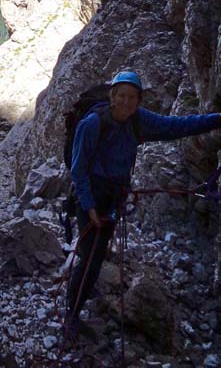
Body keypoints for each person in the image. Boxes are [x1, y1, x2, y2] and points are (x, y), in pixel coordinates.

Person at [65, 69, 221, 336]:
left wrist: (216, 120)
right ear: (112, 97)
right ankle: (71, 316)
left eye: (132, 97)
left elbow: (176, 126)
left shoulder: (138, 121)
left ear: (138, 100)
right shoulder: (92, 124)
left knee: (97, 254)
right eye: (121, 96)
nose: (126, 102)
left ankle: (80, 298)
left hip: (114, 195)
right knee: (91, 257)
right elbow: (78, 170)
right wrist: (89, 207)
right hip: (91, 195)